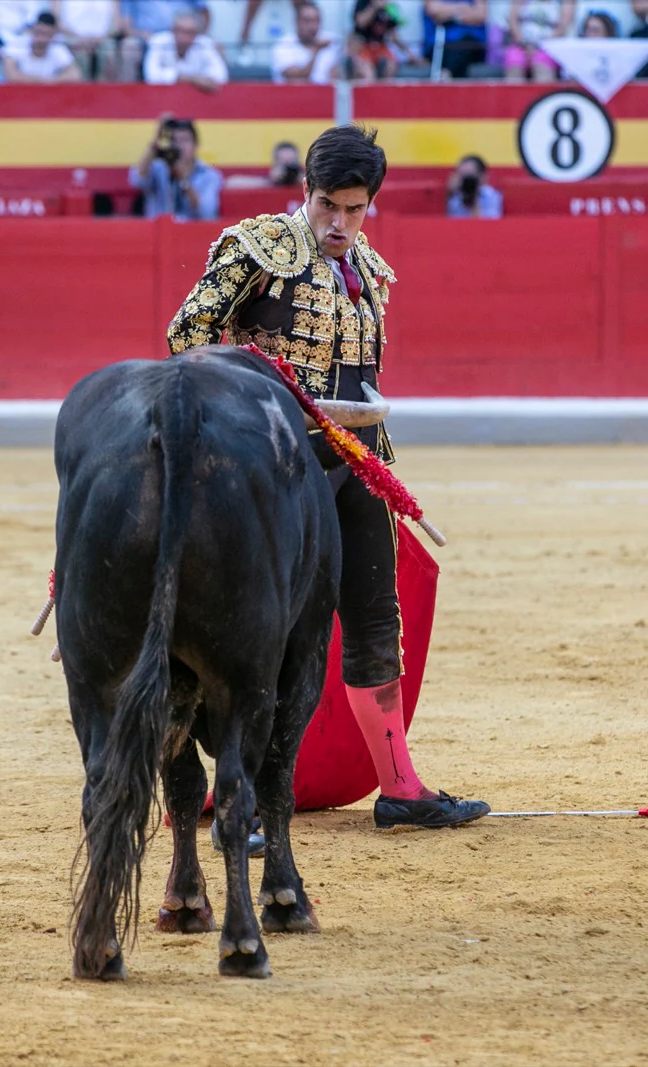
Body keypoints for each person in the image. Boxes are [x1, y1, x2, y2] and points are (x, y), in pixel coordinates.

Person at [165, 125, 489, 831]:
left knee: (377, 619)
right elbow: (186, 335)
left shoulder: (368, 266)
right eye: (327, 206)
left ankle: (400, 784)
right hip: (274, 465)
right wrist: (250, 395)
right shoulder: (257, 247)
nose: (340, 223)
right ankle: (242, 789)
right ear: (303, 193)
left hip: (358, 463)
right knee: (261, 632)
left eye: (354, 208)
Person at [130, 115, 223, 220]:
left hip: (192, 232)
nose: (179, 146)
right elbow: (137, 180)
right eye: (174, 140)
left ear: (195, 146)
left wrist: (184, 180)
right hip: (157, 233)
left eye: (184, 140)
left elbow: (207, 214)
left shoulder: (209, 175)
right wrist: (155, 142)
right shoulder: (159, 168)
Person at [143, 10, 228, 87]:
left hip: (198, 98)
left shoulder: (204, 44)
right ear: (172, 30)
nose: (183, 37)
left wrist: (175, 77)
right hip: (163, 97)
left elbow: (221, 76)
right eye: (179, 31)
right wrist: (193, 80)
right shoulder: (159, 42)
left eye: (190, 32)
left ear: (197, 33)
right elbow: (151, 77)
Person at [351, 0, 424, 80]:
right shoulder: (362, 3)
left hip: (380, 47)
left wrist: (409, 53)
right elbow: (360, 22)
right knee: (368, 74)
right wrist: (374, 7)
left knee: (391, 66)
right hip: (363, 46)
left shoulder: (389, 8)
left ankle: (384, 91)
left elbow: (393, 35)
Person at [272, 2, 343, 83]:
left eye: (317, 21)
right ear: (297, 22)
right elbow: (296, 79)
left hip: (326, 93)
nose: (313, 27)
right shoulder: (284, 45)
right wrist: (316, 51)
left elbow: (339, 76)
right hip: (294, 94)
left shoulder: (332, 41)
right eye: (307, 21)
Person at [505, 0, 576, 82]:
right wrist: (524, 44)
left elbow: (563, 27)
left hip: (550, 47)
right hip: (522, 45)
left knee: (541, 65)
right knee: (514, 61)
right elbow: (512, 20)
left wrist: (539, 46)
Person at [52, 0, 121, 78]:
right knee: (79, 53)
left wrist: (101, 38)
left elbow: (116, 25)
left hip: (102, 39)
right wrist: (79, 38)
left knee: (109, 52)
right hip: (71, 38)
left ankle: (105, 88)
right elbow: (56, 22)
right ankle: (81, 87)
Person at [6, 12, 83, 81]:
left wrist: (51, 81)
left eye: (46, 34)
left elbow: (75, 75)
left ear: (53, 35)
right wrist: (42, 81)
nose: (41, 39)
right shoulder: (17, 45)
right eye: (38, 33)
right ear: (33, 30)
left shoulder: (58, 49)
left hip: (49, 93)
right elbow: (11, 75)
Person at [423, 0, 490, 77]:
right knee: (452, 50)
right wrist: (463, 7)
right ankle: (446, 75)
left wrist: (449, 14)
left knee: (464, 45)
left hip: (471, 45)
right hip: (441, 44)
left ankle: (446, 75)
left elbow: (480, 15)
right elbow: (434, 11)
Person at [226, 141, 306, 189]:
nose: (287, 169)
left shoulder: (306, 183)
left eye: (291, 162)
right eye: (283, 163)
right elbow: (231, 183)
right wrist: (269, 181)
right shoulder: (268, 181)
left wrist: (306, 182)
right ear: (275, 164)